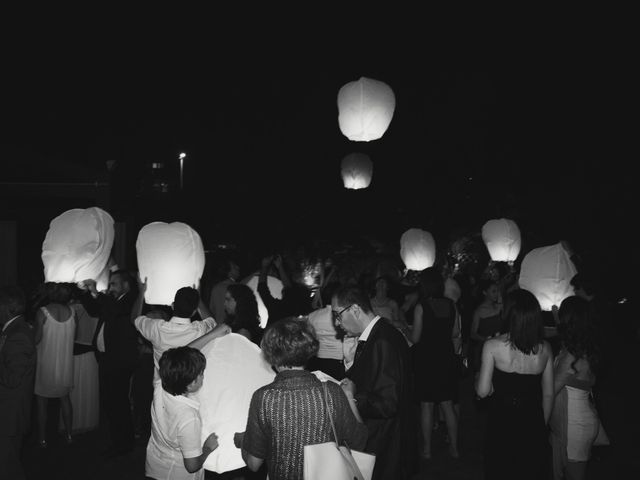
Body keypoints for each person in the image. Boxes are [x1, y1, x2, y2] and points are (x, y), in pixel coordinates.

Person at [238, 317, 367, 480]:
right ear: (309, 349)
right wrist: (349, 397)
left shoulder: (264, 398)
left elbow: (254, 463)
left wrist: (243, 441)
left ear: (272, 354)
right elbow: (359, 441)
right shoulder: (332, 392)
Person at [332, 284, 417, 480]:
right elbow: (371, 378)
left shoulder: (383, 340)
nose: (337, 323)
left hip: (387, 442)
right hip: (384, 438)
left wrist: (352, 395)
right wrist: (349, 362)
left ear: (354, 309)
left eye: (338, 315)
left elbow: (387, 403)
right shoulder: (378, 334)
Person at [476, 288, 554, 480]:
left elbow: (483, 392)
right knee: (529, 470)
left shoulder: (492, 345)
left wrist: (479, 375)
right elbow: (548, 394)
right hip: (532, 417)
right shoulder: (545, 349)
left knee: (501, 469)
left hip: (501, 419)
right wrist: (540, 425)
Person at [79, 270, 139, 458]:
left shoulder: (130, 301)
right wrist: (85, 291)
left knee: (118, 404)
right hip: (107, 360)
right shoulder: (113, 302)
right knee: (111, 403)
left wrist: (98, 293)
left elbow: (115, 311)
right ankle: (118, 441)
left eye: (114, 284)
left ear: (126, 286)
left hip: (119, 361)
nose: (110, 287)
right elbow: (94, 309)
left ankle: (123, 444)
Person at [145, 346, 220, 480]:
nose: (203, 376)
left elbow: (168, 361)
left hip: (155, 465)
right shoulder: (189, 417)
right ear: (191, 385)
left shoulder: (159, 386)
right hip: (176, 474)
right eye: (201, 373)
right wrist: (208, 448)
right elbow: (191, 466)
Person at [549, 296, 602, 480]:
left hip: (573, 425)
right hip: (581, 419)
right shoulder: (584, 347)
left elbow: (551, 391)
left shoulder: (570, 356)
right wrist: (556, 316)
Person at [132, 280, 227, 384]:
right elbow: (212, 321)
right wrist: (198, 300)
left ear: (172, 306)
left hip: (162, 388)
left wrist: (141, 292)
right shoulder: (200, 330)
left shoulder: (156, 328)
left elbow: (135, 318)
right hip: (189, 388)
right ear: (194, 311)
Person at [410, 267, 460, 460]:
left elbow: (415, 339)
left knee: (427, 406)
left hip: (427, 360)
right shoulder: (451, 305)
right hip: (445, 358)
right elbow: (455, 333)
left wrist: (404, 331)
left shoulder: (421, 307)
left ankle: (427, 450)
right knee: (447, 404)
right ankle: (455, 448)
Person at [33, 282, 77, 447]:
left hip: (46, 362)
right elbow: (74, 336)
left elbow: (36, 338)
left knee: (42, 402)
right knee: (65, 399)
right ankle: (69, 435)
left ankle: (42, 438)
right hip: (64, 363)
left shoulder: (42, 311)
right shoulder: (73, 312)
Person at [0, 285, 36, 480]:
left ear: (6, 307)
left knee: (7, 469)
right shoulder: (15, 329)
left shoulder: (19, 334)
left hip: (9, 416)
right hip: (8, 413)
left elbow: (12, 379)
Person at [469, 279, 504, 373]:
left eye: (497, 291)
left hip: (500, 348)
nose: (496, 294)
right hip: (485, 348)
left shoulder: (499, 307)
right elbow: (472, 333)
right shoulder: (479, 311)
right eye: (493, 291)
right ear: (485, 292)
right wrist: (486, 340)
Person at [208, 257, 241, 325]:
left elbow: (212, 311)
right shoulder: (238, 288)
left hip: (217, 328)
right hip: (232, 328)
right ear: (228, 272)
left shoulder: (216, 288)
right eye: (234, 267)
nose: (238, 268)